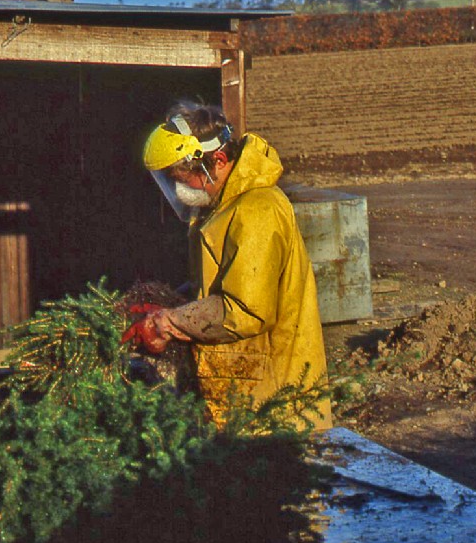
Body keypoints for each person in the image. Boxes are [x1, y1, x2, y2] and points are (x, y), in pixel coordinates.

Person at [140, 101, 332, 431]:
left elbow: (246, 311)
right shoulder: (222, 205)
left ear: (218, 160)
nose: (180, 189)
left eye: (183, 177)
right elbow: (218, 285)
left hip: (271, 394)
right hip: (241, 387)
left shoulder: (257, 210)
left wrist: (172, 320)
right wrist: (175, 302)